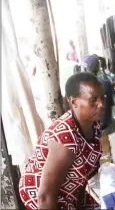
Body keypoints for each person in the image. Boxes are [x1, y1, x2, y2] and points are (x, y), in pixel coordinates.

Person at [19, 72, 104, 209]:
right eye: (93, 99)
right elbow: (45, 196)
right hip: (45, 198)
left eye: (102, 98)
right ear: (73, 102)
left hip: (73, 188)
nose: (101, 104)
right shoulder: (65, 141)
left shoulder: (93, 123)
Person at [82, 54, 115, 134]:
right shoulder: (106, 83)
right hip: (106, 124)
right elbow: (110, 107)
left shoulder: (82, 86)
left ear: (85, 69)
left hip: (94, 128)